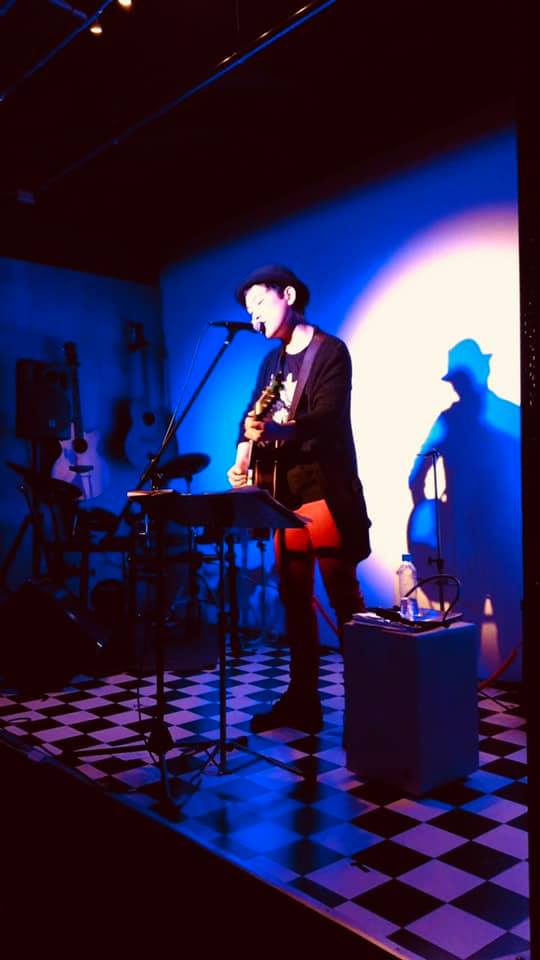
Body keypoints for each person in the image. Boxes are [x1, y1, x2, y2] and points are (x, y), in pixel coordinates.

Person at [227, 264, 371, 734]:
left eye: (259, 305)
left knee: (343, 597)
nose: (254, 318)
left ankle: (369, 702)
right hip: (284, 497)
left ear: (288, 295)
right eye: (248, 312)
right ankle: (303, 700)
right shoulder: (271, 363)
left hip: (323, 490)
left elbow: (328, 418)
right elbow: (251, 416)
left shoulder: (329, 351)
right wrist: (242, 456)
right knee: (294, 600)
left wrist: (278, 430)